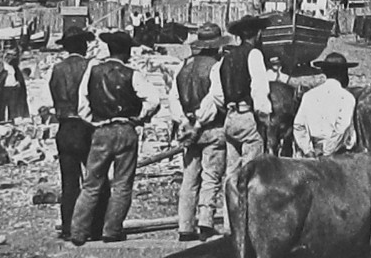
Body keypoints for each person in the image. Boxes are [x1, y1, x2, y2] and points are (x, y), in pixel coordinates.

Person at [71, 30, 161, 245]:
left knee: (91, 183)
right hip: (126, 130)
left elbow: (82, 104)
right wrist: (139, 118)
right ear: (127, 51)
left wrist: (94, 121)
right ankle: (112, 230)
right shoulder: (133, 74)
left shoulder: (92, 71)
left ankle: (78, 231)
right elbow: (154, 100)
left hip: (102, 130)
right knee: (122, 184)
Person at [48, 28, 106, 242]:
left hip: (65, 127)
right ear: (83, 45)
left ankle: (68, 227)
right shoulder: (91, 67)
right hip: (87, 126)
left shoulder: (57, 69)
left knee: (69, 182)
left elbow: (53, 95)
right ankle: (96, 227)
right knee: (96, 179)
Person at [173, 23, 228, 241]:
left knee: (189, 177)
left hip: (188, 127)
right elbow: (215, 99)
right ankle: (206, 221)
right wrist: (199, 122)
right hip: (211, 127)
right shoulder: (216, 67)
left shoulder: (184, 65)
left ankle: (185, 225)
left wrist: (184, 121)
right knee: (211, 176)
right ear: (217, 45)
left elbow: (174, 98)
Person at [197, 14, 272, 173]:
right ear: (258, 34)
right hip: (247, 116)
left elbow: (216, 93)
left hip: (231, 118)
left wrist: (228, 109)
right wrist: (264, 117)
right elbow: (259, 89)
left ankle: (231, 190)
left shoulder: (225, 58)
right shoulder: (254, 54)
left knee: (232, 171)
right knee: (252, 172)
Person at [292, 52, 359, 157]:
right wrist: (326, 153)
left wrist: (308, 151)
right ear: (343, 73)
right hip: (336, 156)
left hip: (311, 155)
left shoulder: (309, 96)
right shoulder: (347, 98)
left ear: (325, 71)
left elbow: (298, 125)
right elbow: (341, 130)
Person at [0, 43, 29, 123]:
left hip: (13, 88)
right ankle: (0, 120)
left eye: (12, 56)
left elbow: (17, 76)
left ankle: (12, 119)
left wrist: (17, 82)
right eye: (9, 56)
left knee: (13, 107)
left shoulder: (13, 67)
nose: (10, 58)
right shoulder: (2, 66)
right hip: (4, 89)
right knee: (1, 106)